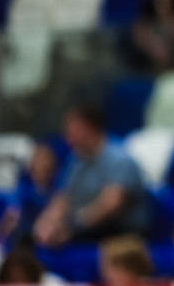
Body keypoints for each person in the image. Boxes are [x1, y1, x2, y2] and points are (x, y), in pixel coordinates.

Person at [33, 105, 150, 246]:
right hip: (85, 230)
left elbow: (111, 204)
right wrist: (45, 224)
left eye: (72, 130)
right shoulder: (76, 161)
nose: (67, 137)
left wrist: (71, 228)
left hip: (119, 234)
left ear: (89, 128)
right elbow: (62, 199)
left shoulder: (120, 159)